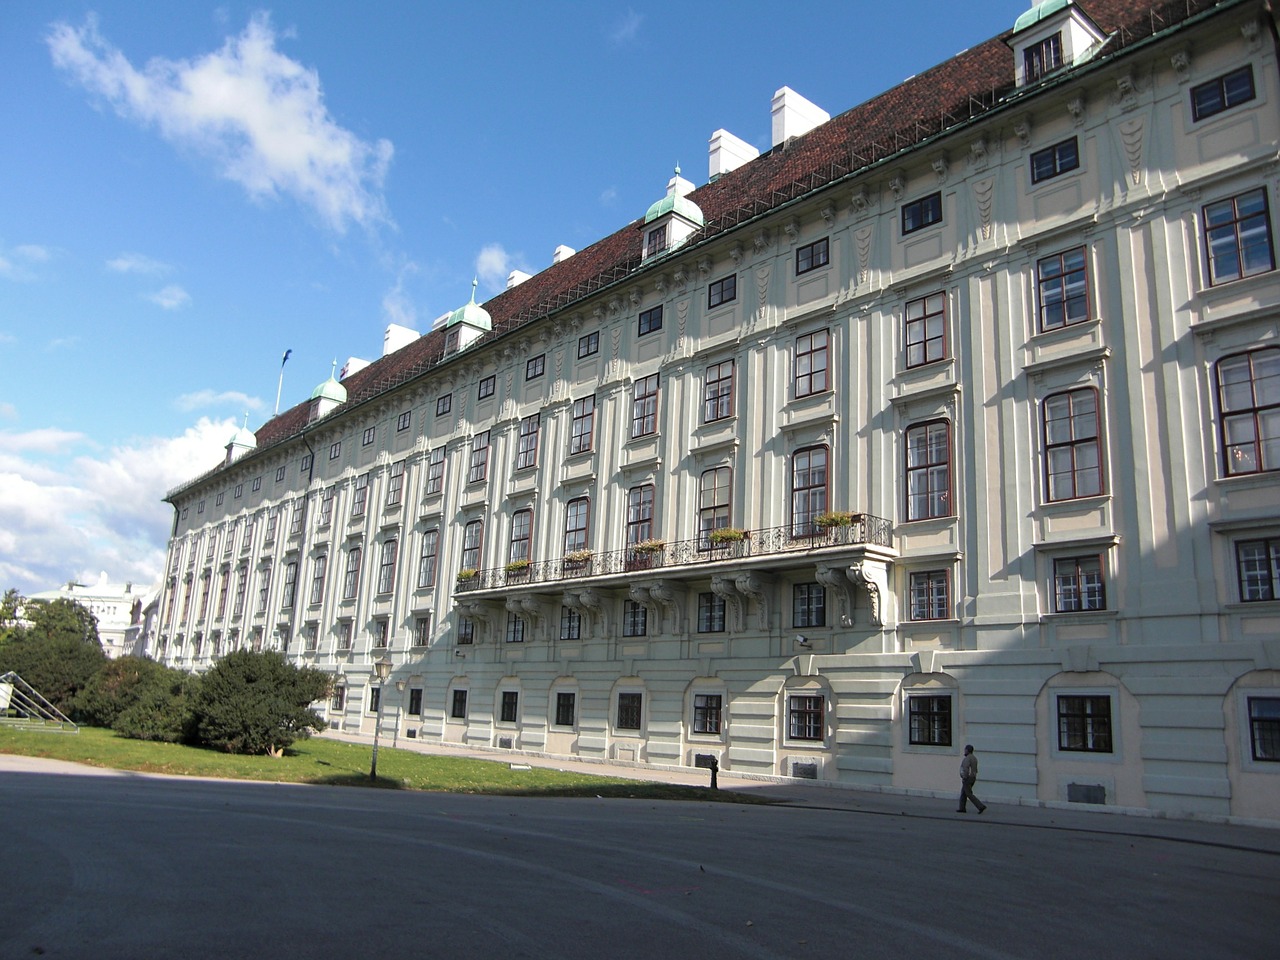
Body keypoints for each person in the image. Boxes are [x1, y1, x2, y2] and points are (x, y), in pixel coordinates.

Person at [957, 744, 987, 814]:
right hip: (973, 777)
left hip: (967, 778)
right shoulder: (974, 758)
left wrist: (964, 776)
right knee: (963, 793)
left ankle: (980, 806)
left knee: (969, 793)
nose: (964, 751)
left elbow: (965, 768)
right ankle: (962, 808)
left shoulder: (967, 758)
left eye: (965, 750)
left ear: (967, 750)